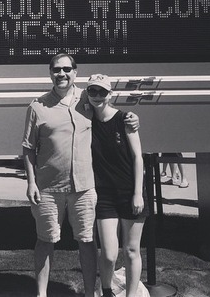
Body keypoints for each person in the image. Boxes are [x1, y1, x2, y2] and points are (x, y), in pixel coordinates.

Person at [22, 54, 139, 297]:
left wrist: (132, 117)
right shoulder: (37, 106)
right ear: (50, 73)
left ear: (75, 72)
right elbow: (28, 148)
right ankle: (41, 294)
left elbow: (109, 109)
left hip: (84, 188)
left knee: (87, 242)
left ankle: (89, 293)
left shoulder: (89, 98)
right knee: (45, 241)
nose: (61, 74)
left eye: (67, 69)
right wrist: (31, 182)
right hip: (48, 188)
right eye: (57, 69)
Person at [87, 74, 148, 297]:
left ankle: (131, 295)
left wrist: (138, 193)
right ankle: (106, 292)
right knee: (109, 254)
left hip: (130, 191)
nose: (97, 96)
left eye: (102, 91)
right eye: (92, 91)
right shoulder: (85, 121)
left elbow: (137, 157)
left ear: (110, 94)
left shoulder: (125, 119)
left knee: (131, 250)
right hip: (103, 195)